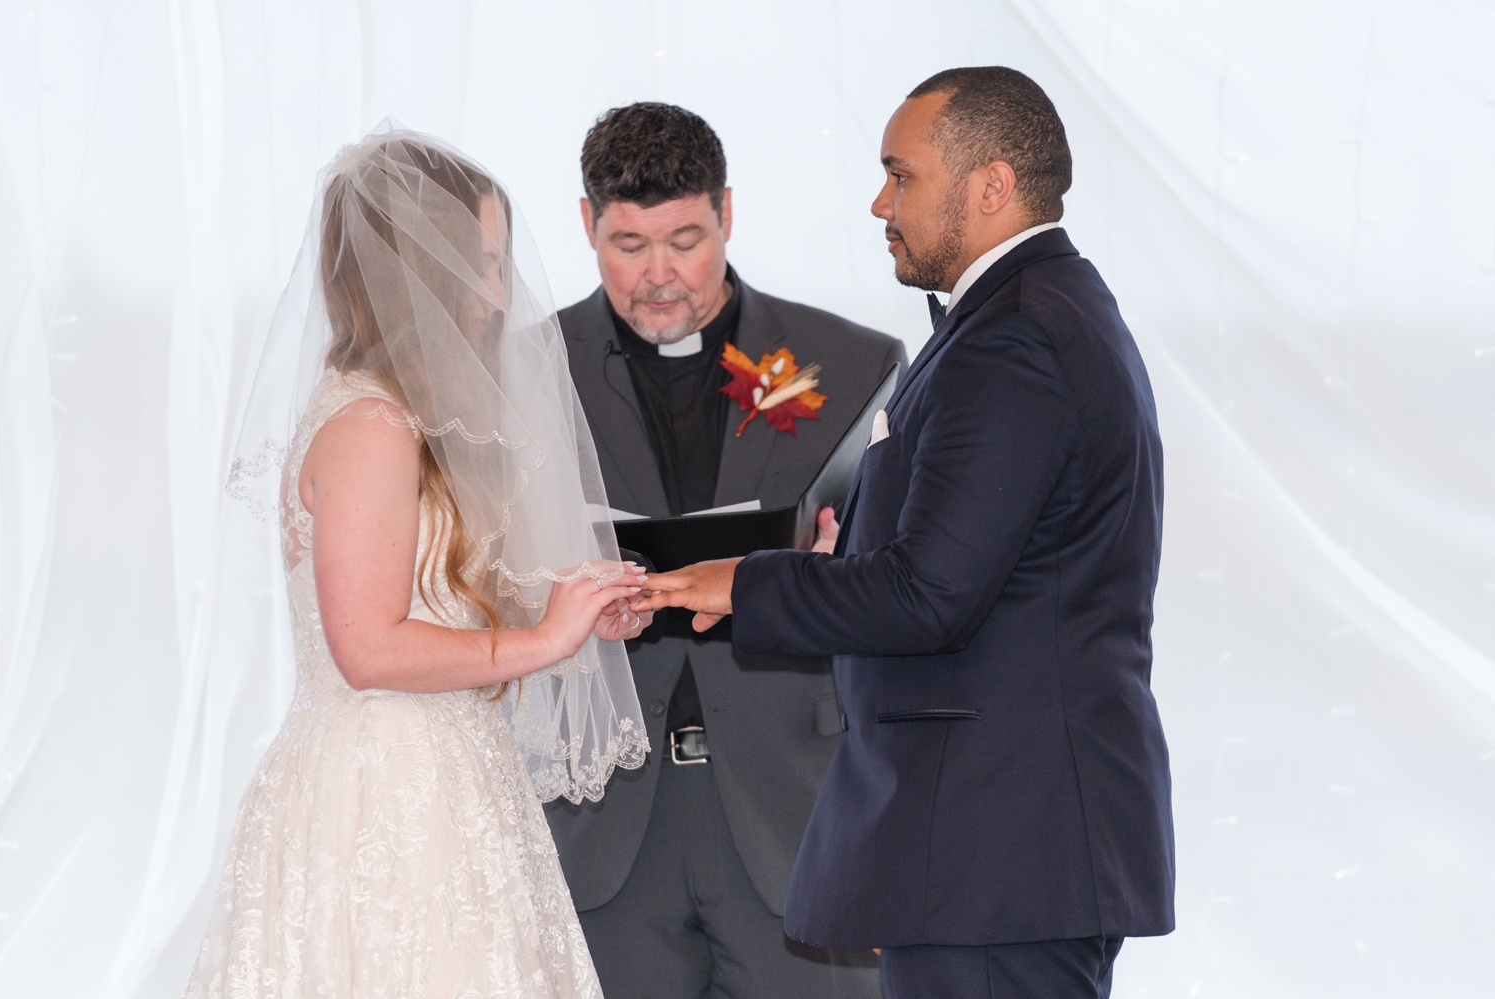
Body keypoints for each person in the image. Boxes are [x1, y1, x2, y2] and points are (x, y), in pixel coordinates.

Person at [636, 68, 1176, 999]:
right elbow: (994, 564)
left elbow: (931, 594)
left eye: (901, 175)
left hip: (996, 851)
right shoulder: (1029, 313)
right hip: (995, 851)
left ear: (993, 185)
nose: (880, 203)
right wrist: (840, 558)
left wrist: (747, 581)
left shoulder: (1014, 340)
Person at [187, 129, 653, 999]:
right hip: (385, 790)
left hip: (449, 772)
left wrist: (575, 606)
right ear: (415, 269)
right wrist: (543, 641)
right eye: (480, 265)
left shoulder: (410, 421)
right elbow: (367, 648)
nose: (497, 294)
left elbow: (440, 606)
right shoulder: (371, 426)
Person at [544, 102, 906, 999]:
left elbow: (915, 582)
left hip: (794, 801)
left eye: (685, 240)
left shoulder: (851, 362)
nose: (659, 275)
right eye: (629, 245)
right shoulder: (527, 370)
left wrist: (843, 568)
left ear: (728, 213)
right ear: (587, 223)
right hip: (604, 817)